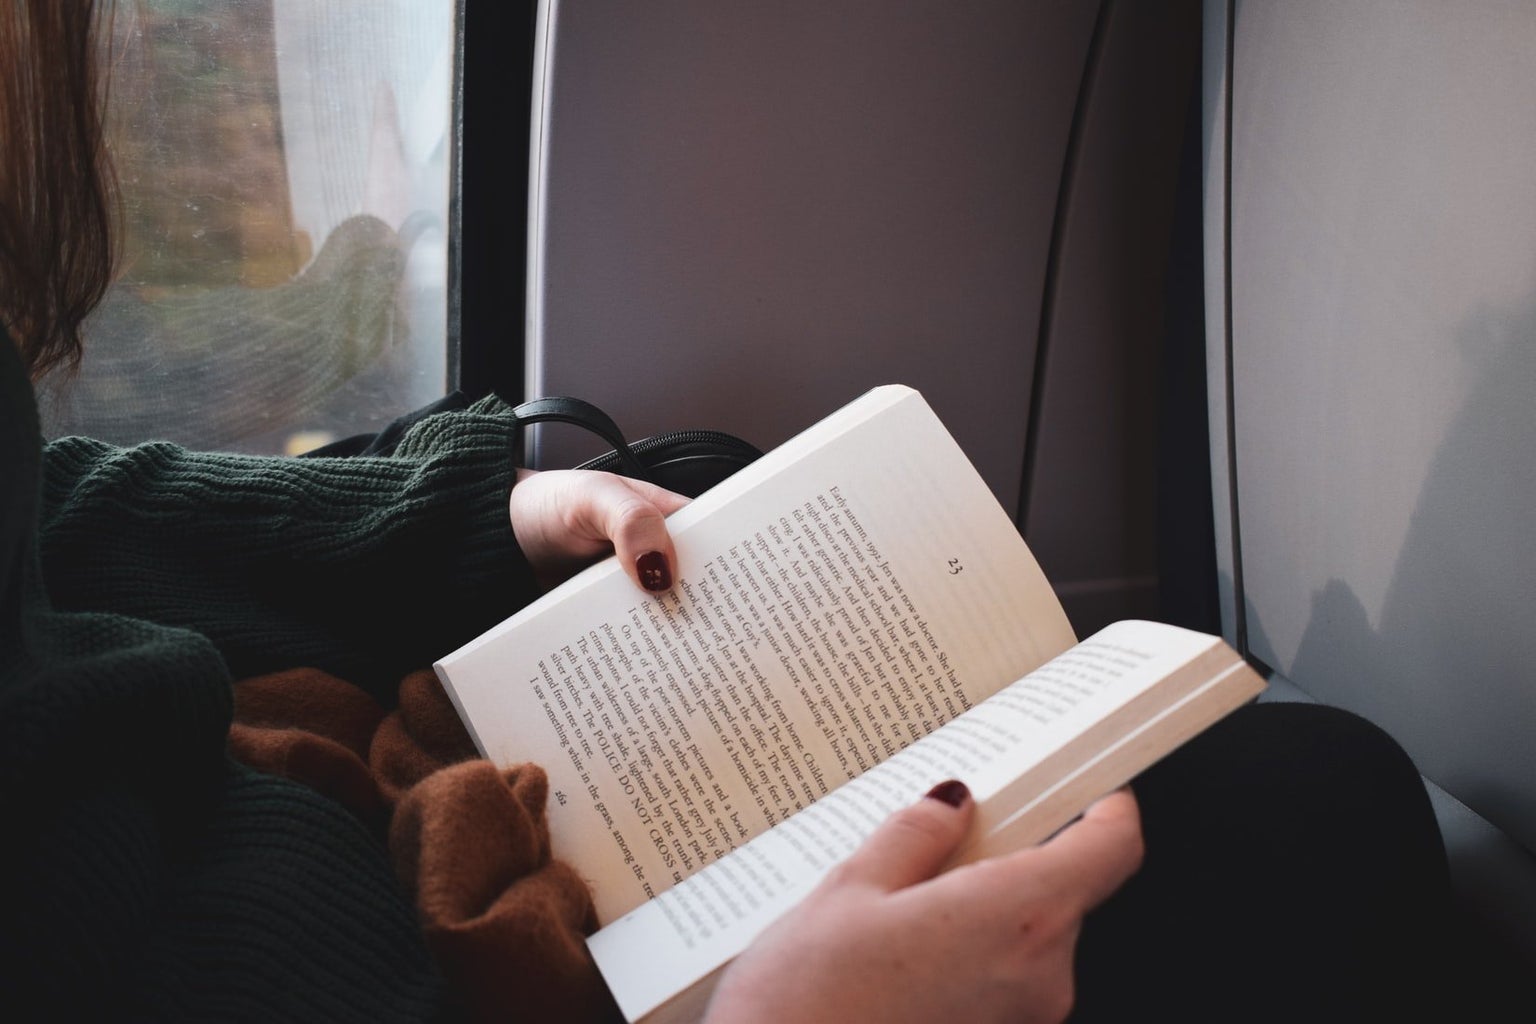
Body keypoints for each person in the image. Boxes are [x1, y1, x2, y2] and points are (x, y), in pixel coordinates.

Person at [1, 3, 1460, 1022]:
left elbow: (47, 528)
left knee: (700, 507)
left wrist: (487, 517)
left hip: (288, 828)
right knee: (1328, 809)